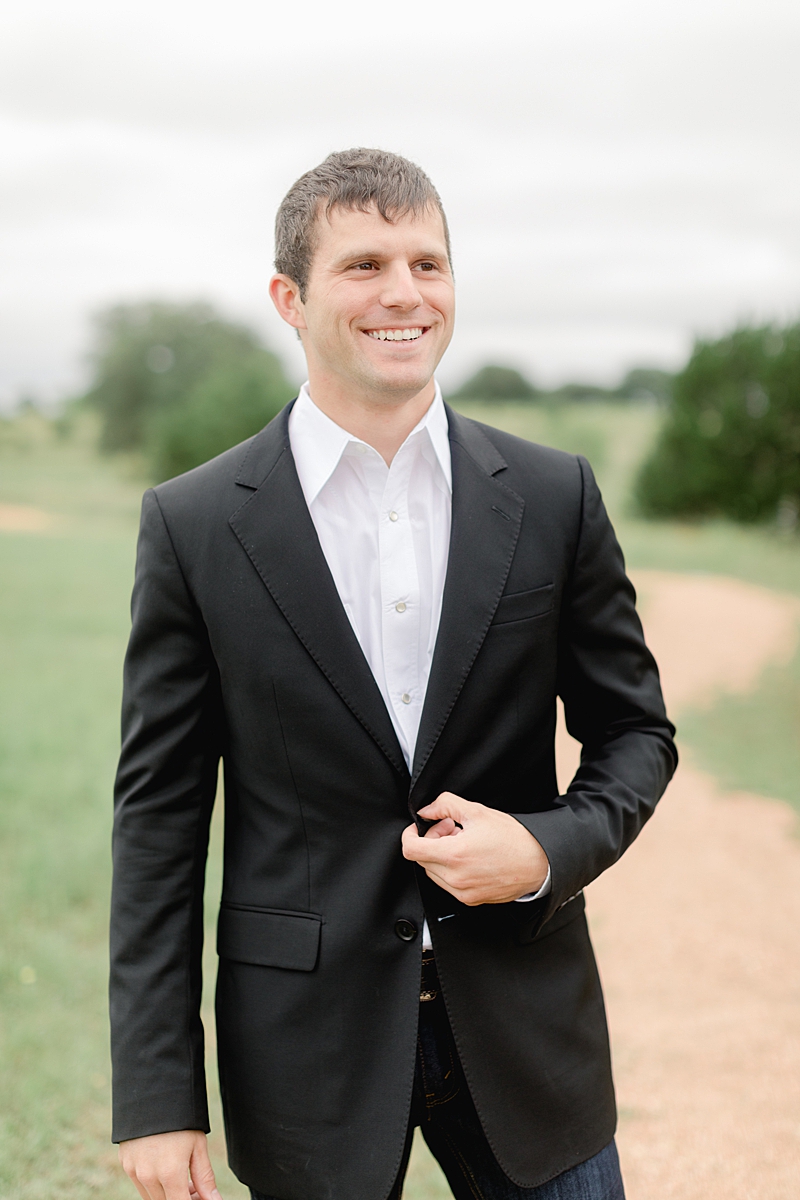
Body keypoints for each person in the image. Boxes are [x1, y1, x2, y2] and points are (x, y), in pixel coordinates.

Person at [110, 148, 676, 1200]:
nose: (404, 293)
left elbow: (635, 733)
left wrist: (544, 848)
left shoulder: (554, 496)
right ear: (289, 297)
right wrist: (156, 1092)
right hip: (304, 1051)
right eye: (364, 264)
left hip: (527, 1027)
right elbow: (159, 818)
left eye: (428, 261)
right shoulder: (192, 527)